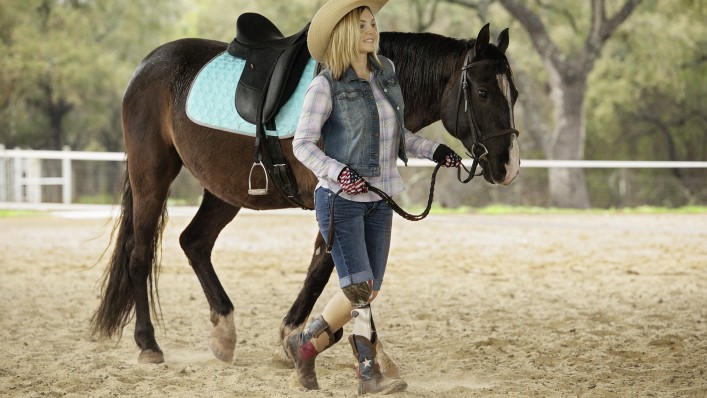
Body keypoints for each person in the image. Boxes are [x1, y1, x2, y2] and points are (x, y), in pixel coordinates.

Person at [286, 0, 461, 394]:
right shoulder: (325, 84)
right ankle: (368, 375)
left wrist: (435, 151)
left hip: (380, 201)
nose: (372, 30)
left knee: (366, 289)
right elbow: (302, 144)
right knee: (360, 290)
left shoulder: (387, 78)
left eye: (373, 23)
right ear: (346, 33)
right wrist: (337, 171)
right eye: (363, 25)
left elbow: (399, 137)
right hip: (340, 201)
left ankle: (304, 346)